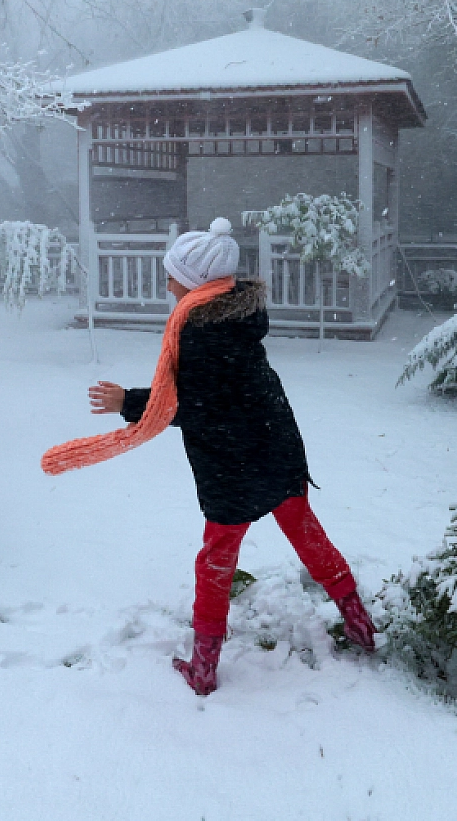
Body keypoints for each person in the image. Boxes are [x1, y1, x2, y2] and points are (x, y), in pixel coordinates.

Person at [42, 217, 375, 696]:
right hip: (275, 446)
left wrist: (126, 403)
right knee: (309, 538)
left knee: (216, 560)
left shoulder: (199, 331)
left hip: (232, 463)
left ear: (194, 281)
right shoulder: (232, 318)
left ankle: (203, 666)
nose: (167, 282)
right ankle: (358, 622)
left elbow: (189, 403)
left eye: (171, 274)